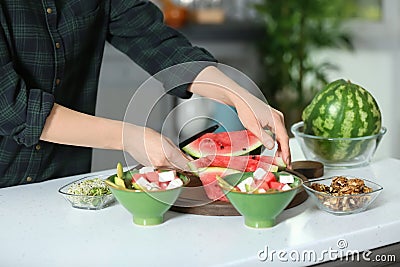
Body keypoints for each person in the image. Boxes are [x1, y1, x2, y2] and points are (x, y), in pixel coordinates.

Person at [0, 0, 290, 188]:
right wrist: (130, 137)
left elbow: (156, 42)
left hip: (64, 185)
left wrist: (236, 94)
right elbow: (13, 108)